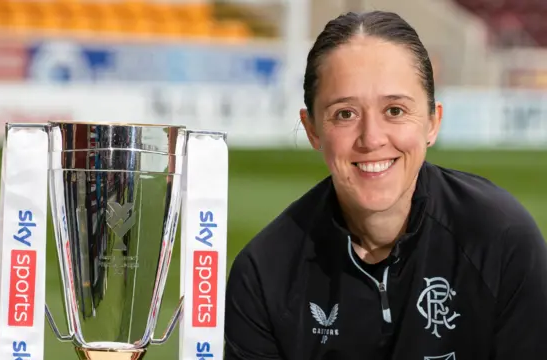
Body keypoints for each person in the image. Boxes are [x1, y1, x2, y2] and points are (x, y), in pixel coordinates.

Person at [224, 10, 547, 360]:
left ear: (432, 122)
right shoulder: (263, 274)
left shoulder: (501, 240)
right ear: (313, 129)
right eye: (345, 114)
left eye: (395, 110)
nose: (372, 138)